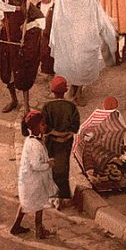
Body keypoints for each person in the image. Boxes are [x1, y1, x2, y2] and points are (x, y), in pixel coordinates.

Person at [49, 0, 117, 101]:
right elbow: (58, 16)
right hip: (69, 34)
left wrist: (96, 30)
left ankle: (80, 89)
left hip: (86, 33)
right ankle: (73, 86)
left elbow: (97, 12)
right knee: (71, 62)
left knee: (84, 62)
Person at [0, 0, 44, 113]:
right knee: (7, 74)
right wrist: (4, 16)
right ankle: (13, 100)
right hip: (6, 44)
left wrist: (27, 26)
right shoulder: (3, 1)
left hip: (20, 47)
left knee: (23, 76)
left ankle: (27, 106)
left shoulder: (27, 5)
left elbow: (41, 20)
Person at [10, 110, 58, 239]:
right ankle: (39, 230)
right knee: (39, 204)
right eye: (42, 124)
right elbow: (36, 165)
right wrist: (49, 164)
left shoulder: (30, 140)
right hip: (34, 180)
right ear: (36, 127)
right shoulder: (35, 145)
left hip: (28, 179)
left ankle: (16, 226)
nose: (45, 126)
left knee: (26, 203)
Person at [42, 76, 80, 208]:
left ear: (52, 91)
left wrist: (56, 134)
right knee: (64, 167)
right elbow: (75, 127)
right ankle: (64, 197)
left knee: (51, 167)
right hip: (66, 142)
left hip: (52, 142)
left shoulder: (47, 106)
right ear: (65, 91)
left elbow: (45, 127)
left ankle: (53, 197)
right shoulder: (71, 106)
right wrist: (65, 136)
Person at [37, 0, 56, 76]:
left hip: (49, 34)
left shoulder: (55, 7)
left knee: (48, 53)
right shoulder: (37, 6)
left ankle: (48, 72)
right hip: (38, 33)